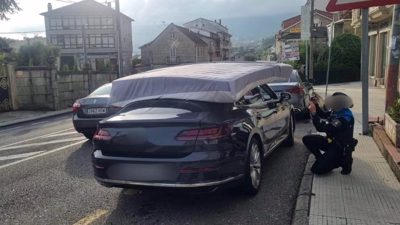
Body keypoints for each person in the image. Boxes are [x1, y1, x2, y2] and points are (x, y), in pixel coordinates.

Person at [302, 92, 358, 175]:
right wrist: (316, 105)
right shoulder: (337, 111)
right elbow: (324, 114)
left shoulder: (344, 118)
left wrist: (314, 113)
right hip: (331, 142)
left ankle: (342, 161)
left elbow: (320, 128)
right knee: (307, 139)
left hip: (339, 148)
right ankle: (322, 159)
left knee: (316, 170)